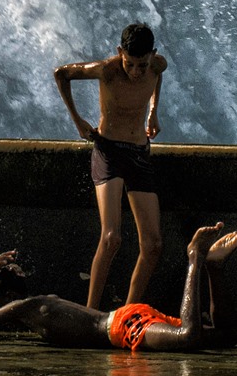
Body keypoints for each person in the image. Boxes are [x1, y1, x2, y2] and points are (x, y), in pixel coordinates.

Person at [0, 223, 237, 352]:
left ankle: (195, 257)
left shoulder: (32, 306)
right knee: (229, 336)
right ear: (6, 296)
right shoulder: (27, 309)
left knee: (187, 336)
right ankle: (214, 268)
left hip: (122, 326)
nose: (15, 268)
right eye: (10, 271)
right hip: (127, 320)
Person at [55, 22, 169, 310]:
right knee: (111, 238)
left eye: (141, 65)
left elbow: (157, 77)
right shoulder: (106, 70)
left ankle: (128, 314)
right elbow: (62, 74)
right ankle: (90, 313)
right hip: (109, 153)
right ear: (120, 53)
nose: (135, 72)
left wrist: (153, 113)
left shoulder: (158, 66)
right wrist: (77, 120)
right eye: (130, 64)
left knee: (153, 246)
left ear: (152, 56)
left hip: (139, 154)